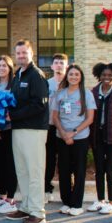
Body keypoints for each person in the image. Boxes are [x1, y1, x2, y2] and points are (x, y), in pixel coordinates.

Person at [5, 39, 50, 223]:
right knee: (22, 170)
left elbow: (39, 104)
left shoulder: (36, 75)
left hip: (33, 129)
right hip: (18, 128)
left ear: (31, 54)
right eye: (18, 53)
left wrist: (13, 115)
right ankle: (25, 206)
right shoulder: (18, 76)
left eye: (24, 53)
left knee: (34, 171)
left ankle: (38, 212)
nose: (21, 56)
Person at [52, 64, 96, 216]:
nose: (74, 77)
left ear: (81, 77)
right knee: (63, 170)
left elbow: (90, 118)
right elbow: (55, 117)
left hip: (80, 138)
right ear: (67, 76)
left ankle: (77, 204)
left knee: (79, 170)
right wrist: (64, 133)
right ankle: (66, 202)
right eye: (71, 74)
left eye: (77, 74)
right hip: (62, 137)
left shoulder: (87, 94)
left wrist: (73, 133)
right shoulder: (60, 93)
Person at [88, 62, 112, 215]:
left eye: (110, 75)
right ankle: (101, 200)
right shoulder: (94, 92)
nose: (107, 78)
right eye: (104, 75)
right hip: (97, 135)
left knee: (111, 169)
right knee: (99, 169)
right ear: (99, 76)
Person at [0, 56, 19, 215]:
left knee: (10, 164)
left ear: (10, 67)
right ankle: (3, 196)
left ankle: (11, 199)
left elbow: (16, 105)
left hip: (9, 129)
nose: (1, 68)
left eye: (4, 66)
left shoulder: (14, 84)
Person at [45, 53, 68, 203]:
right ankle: (46, 189)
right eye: (56, 63)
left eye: (62, 63)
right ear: (52, 66)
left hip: (65, 128)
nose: (59, 65)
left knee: (65, 160)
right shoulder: (47, 84)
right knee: (48, 159)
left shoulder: (71, 83)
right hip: (49, 127)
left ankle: (67, 193)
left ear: (66, 66)